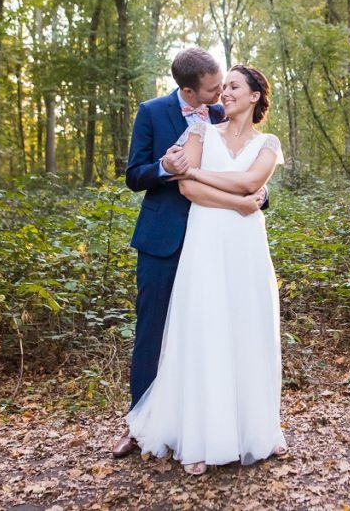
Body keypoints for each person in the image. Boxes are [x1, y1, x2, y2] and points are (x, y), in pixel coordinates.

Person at [125, 64, 287, 474]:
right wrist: (232, 197)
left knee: (242, 329)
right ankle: (154, 426)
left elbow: (253, 181)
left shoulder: (244, 130)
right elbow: (160, 179)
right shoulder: (166, 117)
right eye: (218, 87)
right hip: (180, 239)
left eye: (231, 86)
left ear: (252, 96)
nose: (222, 94)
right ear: (190, 89)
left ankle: (248, 428)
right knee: (169, 332)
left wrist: (248, 192)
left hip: (240, 245)